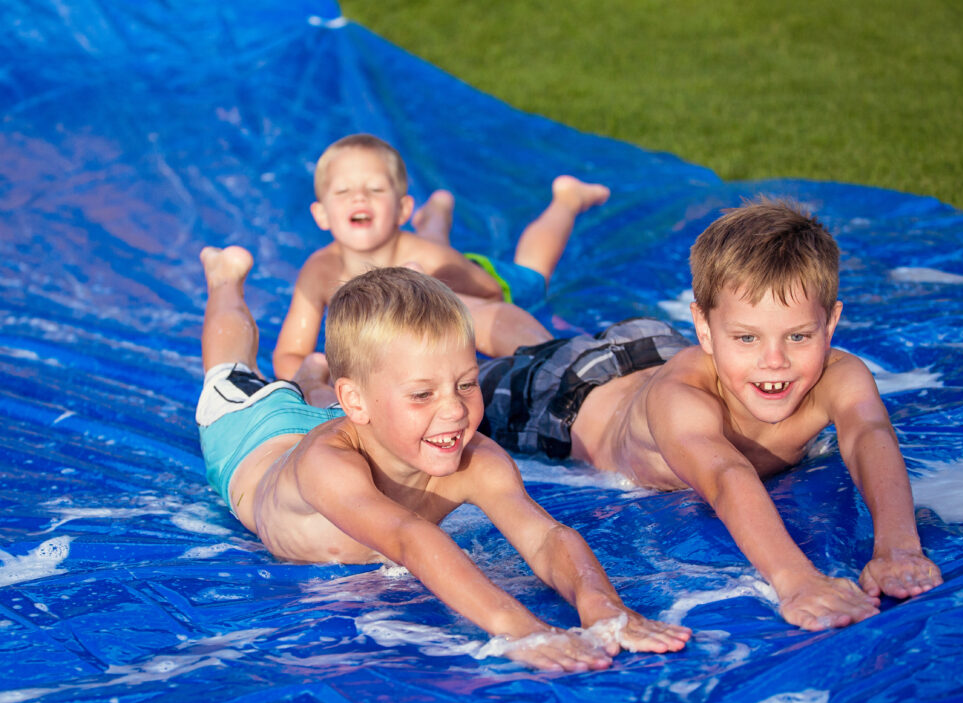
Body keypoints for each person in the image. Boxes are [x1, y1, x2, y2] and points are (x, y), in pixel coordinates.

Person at [196, 245, 690, 671]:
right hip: (253, 434)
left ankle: (315, 381)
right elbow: (410, 540)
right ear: (360, 402)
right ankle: (224, 281)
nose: (454, 410)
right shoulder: (327, 468)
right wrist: (519, 627)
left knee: (331, 402)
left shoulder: (470, 455)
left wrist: (602, 606)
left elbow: (545, 537)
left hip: (350, 416)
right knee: (229, 370)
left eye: (467, 383)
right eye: (423, 394)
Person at [475, 199, 944, 632]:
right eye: (747, 338)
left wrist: (897, 549)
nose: (774, 361)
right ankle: (443, 295)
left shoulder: (840, 374)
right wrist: (797, 579)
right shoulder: (681, 399)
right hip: (570, 394)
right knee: (468, 379)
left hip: (656, 347)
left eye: (798, 337)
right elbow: (725, 474)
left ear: (830, 324)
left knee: (538, 344)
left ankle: (491, 313)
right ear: (705, 327)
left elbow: (870, 434)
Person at [272, 133, 610, 379]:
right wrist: (322, 381)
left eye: (374, 190)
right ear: (321, 215)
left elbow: (490, 293)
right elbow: (289, 353)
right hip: (416, 255)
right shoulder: (319, 271)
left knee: (534, 270)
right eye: (343, 191)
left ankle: (567, 200)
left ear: (403, 208)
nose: (359, 197)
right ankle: (436, 214)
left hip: (480, 281)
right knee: (423, 253)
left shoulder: (432, 260)